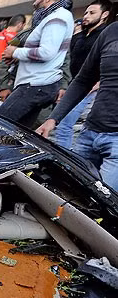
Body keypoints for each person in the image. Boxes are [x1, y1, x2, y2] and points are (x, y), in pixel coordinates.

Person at [36, 21, 118, 191]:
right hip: (90, 134)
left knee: (104, 206)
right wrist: (53, 119)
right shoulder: (112, 31)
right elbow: (83, 79)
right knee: (69, 194)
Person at [0, 0, 74, 128]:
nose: (35, 2)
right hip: (36, 84)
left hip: (35, 85)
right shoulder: (51, 19)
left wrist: (15, 52)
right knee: (19, 132)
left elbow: (46, 52)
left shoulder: (56, 18)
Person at [53, 0, 112, 148]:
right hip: (73, 84)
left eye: (92, 13)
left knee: (64, 125)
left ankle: (64, 160)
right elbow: (71, 58)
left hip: (88, 87)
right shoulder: (82, 35)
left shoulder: (104, 35)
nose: (86, 16)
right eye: (86, 12)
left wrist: (97, 84)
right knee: (63, 124)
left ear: (104, 15)